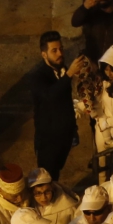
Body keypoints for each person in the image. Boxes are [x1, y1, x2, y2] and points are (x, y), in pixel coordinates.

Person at [26, 32, 78, 182]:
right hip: (49, 141)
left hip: (65, 136)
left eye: (61, 48)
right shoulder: (37, 77)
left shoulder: (62, 68)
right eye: (54, 51)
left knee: (57, 171)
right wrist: (68, 75)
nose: (60, 53)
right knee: (47, 177)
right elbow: (49, 95)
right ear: (44, 54)